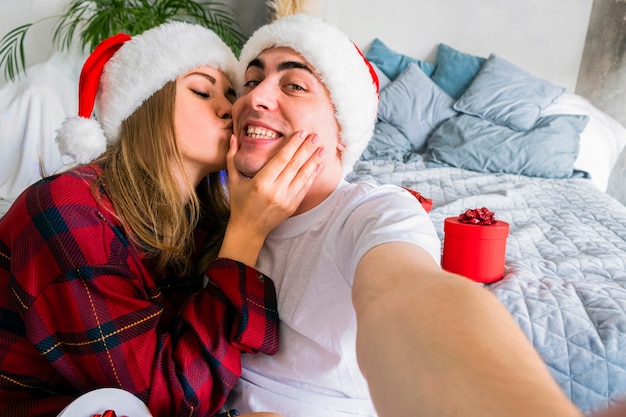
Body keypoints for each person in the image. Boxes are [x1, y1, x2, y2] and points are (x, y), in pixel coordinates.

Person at [223, 13, 585, 417]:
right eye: (251, 81)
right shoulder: (214, 204)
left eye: (294, 85)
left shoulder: (374, 212)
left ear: (342, 131)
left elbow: (407, 295)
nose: (255, 98)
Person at [0, 21, 323, 417]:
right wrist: (246, 233)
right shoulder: (67, 208)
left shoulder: (201, 220)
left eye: (231, 94)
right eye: (202, 91)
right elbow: (169, 401)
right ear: (145, 105)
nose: (229, 108)